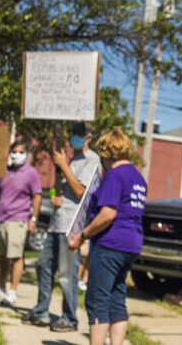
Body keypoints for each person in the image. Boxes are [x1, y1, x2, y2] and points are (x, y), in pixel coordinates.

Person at [68, 128, 146, 345]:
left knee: (97, 300)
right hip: (131, 245)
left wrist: (83, 235)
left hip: (110, 244)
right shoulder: (138, 177)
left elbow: (108, 214)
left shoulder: (114, 176)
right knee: (117, 299)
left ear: (105, 152)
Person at [23, 123, 100, 332]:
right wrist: (58, 198)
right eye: (73, 133)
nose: (75, 137)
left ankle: (69, 317)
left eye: (80, 134)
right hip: (56, 223)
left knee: (67, 274)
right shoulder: (72, 158)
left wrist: (64, 166)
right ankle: (42, 310)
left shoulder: (93, 160)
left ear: (88, 138)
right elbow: (67, 191)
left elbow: (82, 192)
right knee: (43, 265)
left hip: (71, 225)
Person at [0, 140, 42, 306]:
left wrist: (33, 218)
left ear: (26, 154)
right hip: (0, 219)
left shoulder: (31, 173)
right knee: (3, 257)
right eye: (13, 151)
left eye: (20, 152)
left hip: (18, 220)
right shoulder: (3, 171)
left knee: (16, 256)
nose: (16, 155)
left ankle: (12, 291)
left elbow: (37, 196)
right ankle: (1, 288)